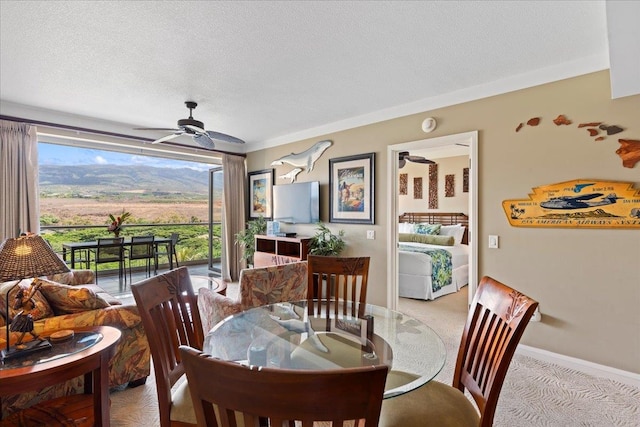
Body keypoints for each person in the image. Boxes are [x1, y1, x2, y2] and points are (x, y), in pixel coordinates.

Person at [10, 280, 42, 346]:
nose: (27, 293)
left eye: (26, 292)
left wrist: (34, 282)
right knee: (24, 331)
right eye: (24, 293)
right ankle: (18, 343)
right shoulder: (24, 301)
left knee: (30, 329)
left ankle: (37, 337)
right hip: (23, 317)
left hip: (27, 316)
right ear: (22, 295)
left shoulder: (26, 297)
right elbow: (31, 295)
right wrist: (35, 289)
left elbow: (29, 289)